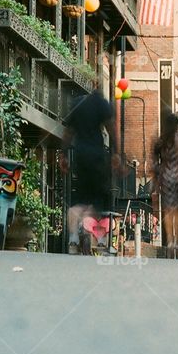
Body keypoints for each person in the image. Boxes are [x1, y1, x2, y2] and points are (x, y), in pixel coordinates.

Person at [63, 86, 116, 254]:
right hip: (97, 157)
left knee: (79, 200)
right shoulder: (101, 103)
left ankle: (73, 238)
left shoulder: (77, 104)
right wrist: (117, 154)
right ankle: (100, 242)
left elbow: (68, 132)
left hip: (80, 155)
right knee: (98, 202)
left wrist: (63, 155)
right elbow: (112, 129)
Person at [150, 113, 178, 259]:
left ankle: (170, 241)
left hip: (165, 177)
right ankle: (176, 241)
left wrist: (155, 180)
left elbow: (154, 162)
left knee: (167, 210)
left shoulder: (160, 141)